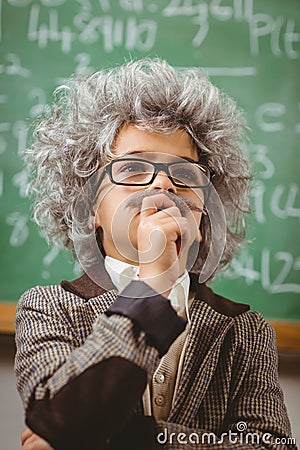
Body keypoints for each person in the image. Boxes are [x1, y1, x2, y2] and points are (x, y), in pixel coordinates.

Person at [15, 58, 295, 450]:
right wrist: (154, 284)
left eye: (185, 174)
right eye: (132, 169)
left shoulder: (245, 331)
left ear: (203, 214)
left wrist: (134, 439)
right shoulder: (49, 308)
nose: (164, 183)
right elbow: (63, 416)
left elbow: (269, 444)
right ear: (90, 206)